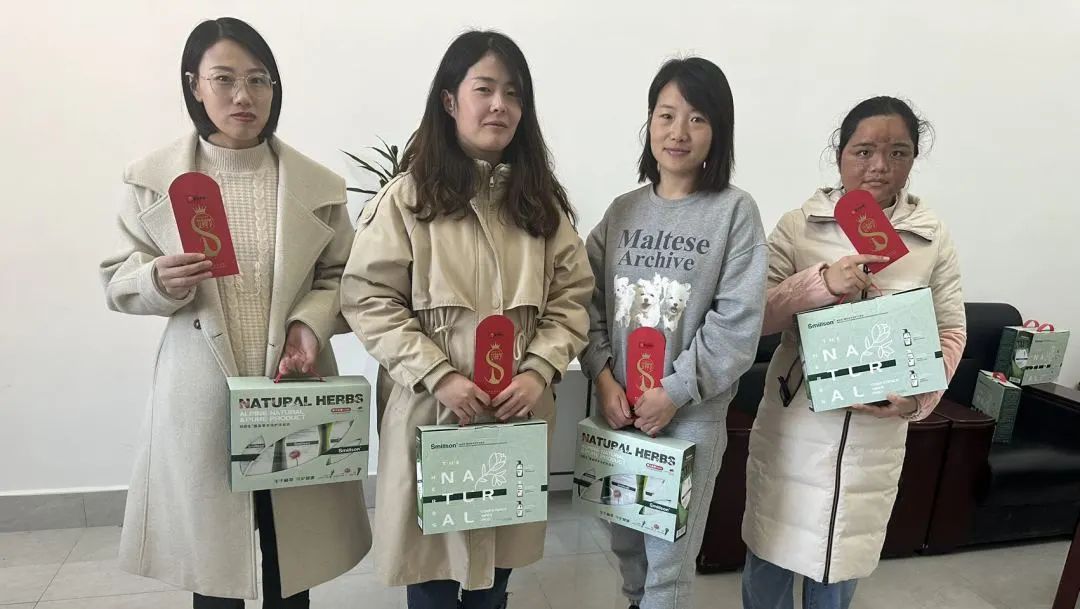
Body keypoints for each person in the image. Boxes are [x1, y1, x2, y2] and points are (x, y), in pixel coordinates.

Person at [99, 17, 370, 608]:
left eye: (258, 79)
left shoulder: (318, 184)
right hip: (202, 394)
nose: (243, 96)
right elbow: (116, 278)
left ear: (275, 88)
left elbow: (343, 278)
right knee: (216, 564)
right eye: (223, 79)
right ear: (194, 86)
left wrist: (309, 323)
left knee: (290, 557)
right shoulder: (152, 180)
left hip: (291, 388)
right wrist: (157, 280)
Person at [339, 30, 593, 609]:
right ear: (450, 100)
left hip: (514, 415)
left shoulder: (541, 208)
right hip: (432, 414)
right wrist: (439, 375)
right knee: (431, 572)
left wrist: (539, 370)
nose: (500, 104)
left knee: (496, 572)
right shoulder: (407, 201)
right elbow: (368, 298)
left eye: (513, 93)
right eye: (485, 89)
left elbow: (573, 298)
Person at [740, 96, 967, 609]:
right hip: (795, 425)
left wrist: (919, 400)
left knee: (839, 568)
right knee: (770, 557)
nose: (879, 166)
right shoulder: (800, 226)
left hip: (875, 437)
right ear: (839, 155)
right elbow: (753, 317)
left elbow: (950, 329)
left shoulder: (931, 237)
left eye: (898, 152)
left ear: (913, 159)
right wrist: (821, 283)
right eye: (864, 151)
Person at [580, 57, 769, 609]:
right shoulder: (622, 211)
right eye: (666, 115)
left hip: (689, 418)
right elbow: (584, 299)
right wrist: (603, 378)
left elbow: (737, 322)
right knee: (625, 545)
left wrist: (675, 393)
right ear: (650, 124)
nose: (678, 132)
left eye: (696, 118)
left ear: (718, 131)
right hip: (618, 410)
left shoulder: (734, 212)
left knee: (668, 561)